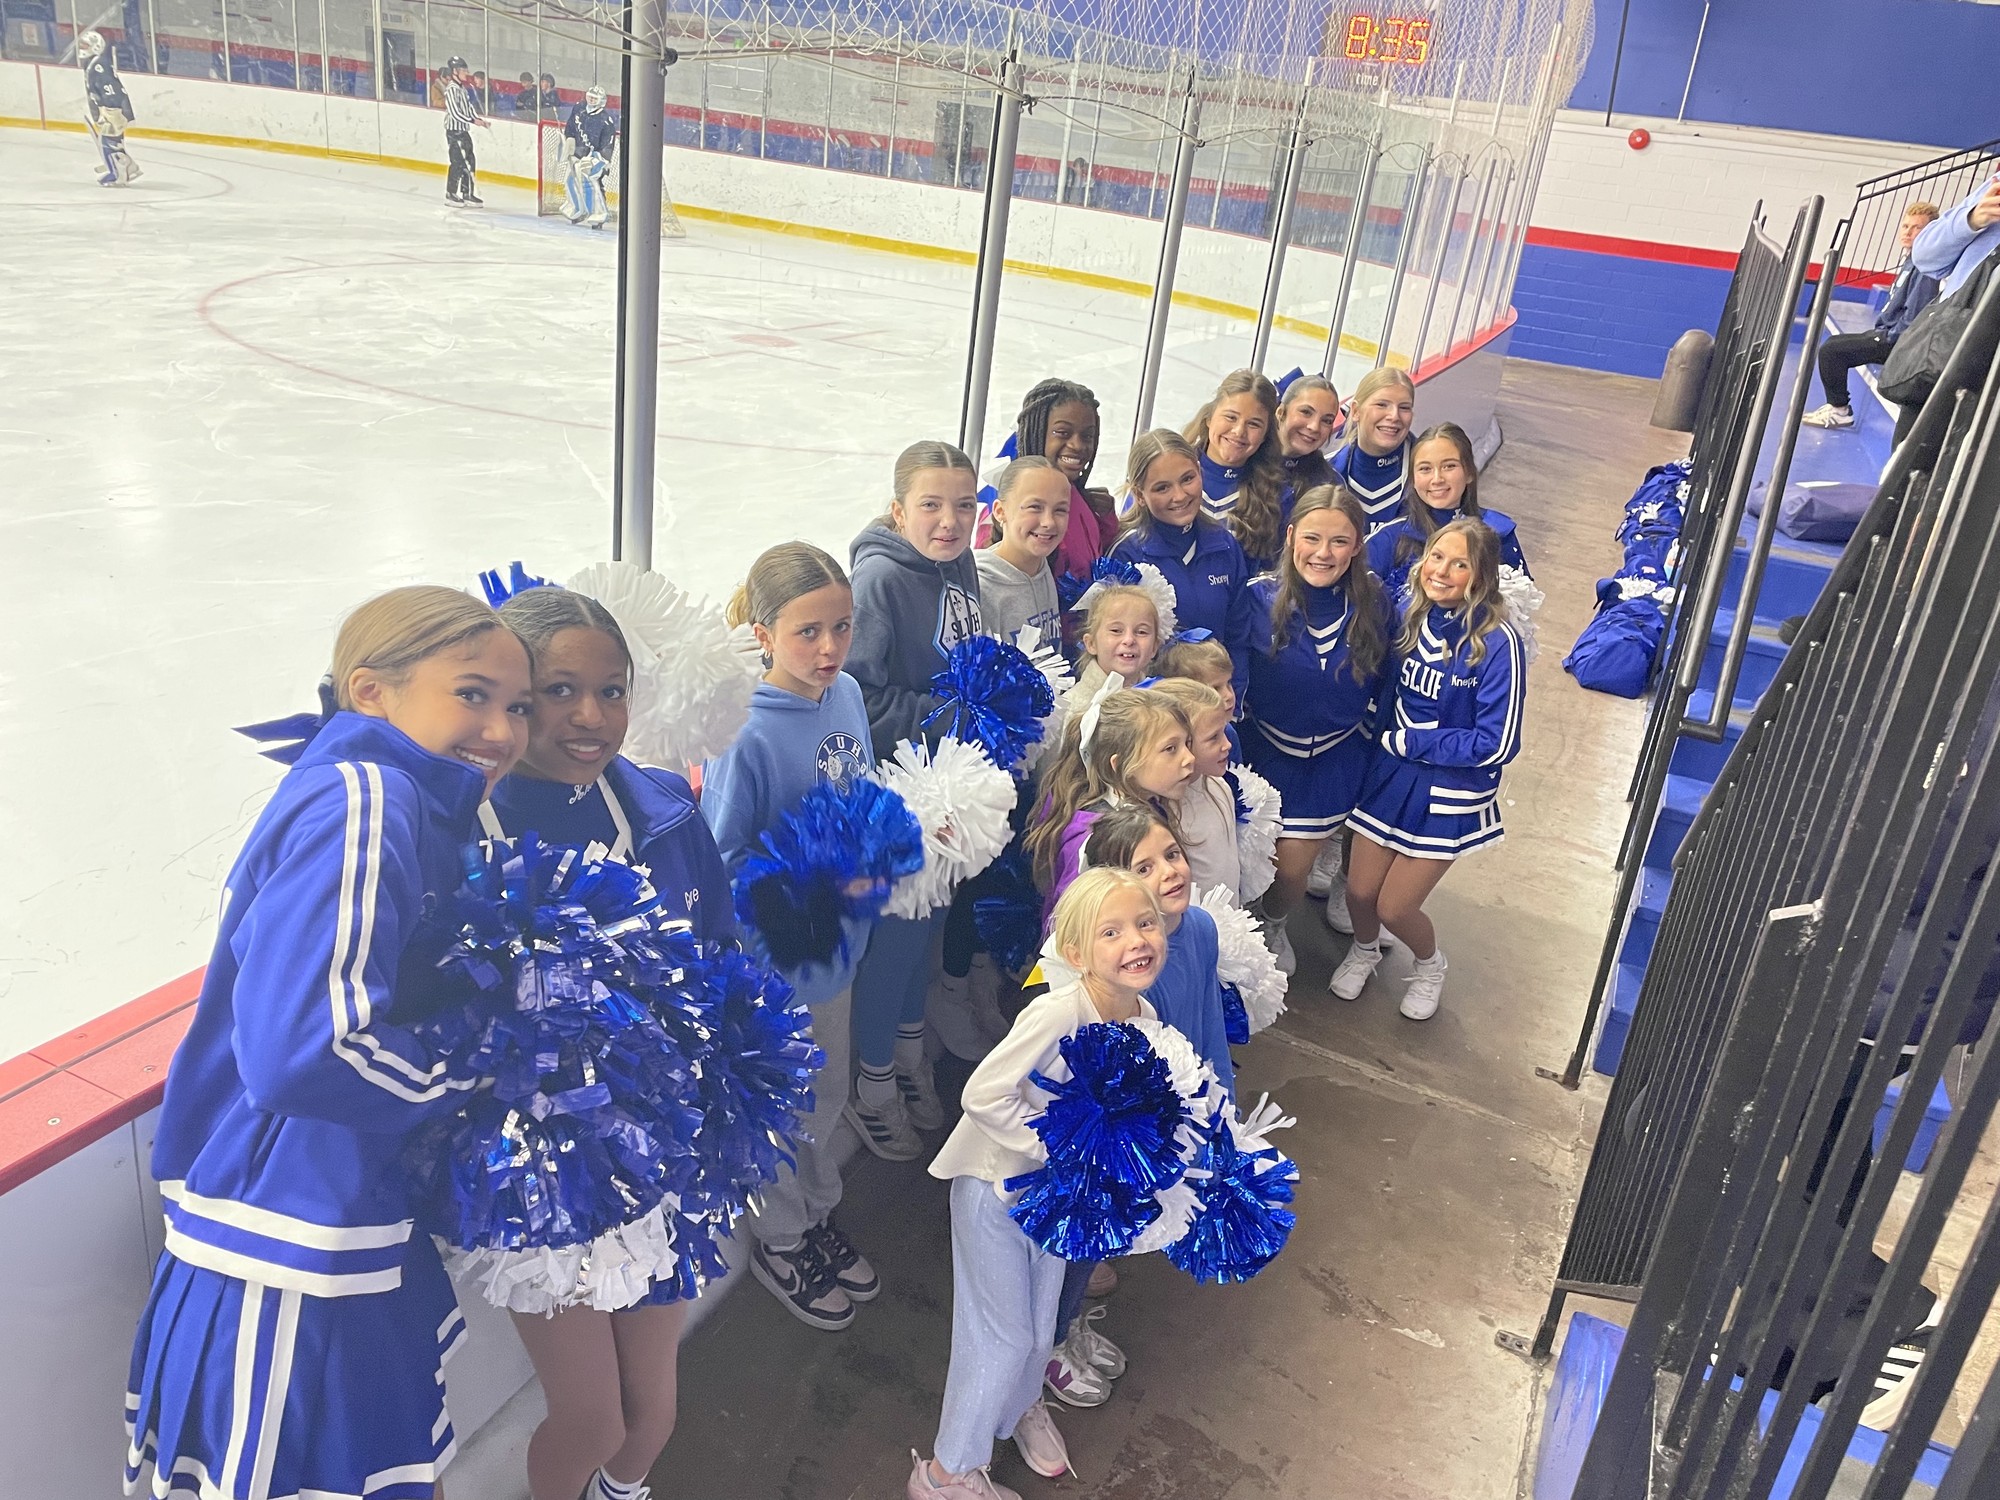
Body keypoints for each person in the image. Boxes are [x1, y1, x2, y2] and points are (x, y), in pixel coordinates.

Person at [124, 587, 534, 1500]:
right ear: (371, 692)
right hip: (287, 1241)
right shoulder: (366, 797)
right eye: (472, 694)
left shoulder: (406, 801)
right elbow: (308, 1050)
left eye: (516, 706)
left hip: (326, 1222)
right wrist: (487, 1065)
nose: (502, 731)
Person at [481, 584, 728, 1500]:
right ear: (514, 699)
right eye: (559, 691)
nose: (591, 716)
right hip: (542, 1172)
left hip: (663, 1153)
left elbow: (722, 965)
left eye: (612, 690)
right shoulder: (461, 829)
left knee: (652, 1415)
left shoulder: (663, 811)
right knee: (593, 1419)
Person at [909, 867, 1168, 1500]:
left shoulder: (1143, 1016)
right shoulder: (1057, 1012)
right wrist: (1059, 1146)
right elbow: (982, 1094)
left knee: (1039, 1323)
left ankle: (1015, 1412)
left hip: (1059, 1201)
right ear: (1075, 953)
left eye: (1145, 923)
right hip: (994, 1191)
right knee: (1001, 1338)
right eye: (1111, 931)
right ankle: (944, 1474)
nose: (1136, 940)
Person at [703, 542, 885, 1332]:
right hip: (775, 968)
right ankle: (781, 1239)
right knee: (780, 1106)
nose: (829, 648)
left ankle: (816, 1210)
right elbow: (720, 863)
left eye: (842, 627)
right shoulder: (744, 732)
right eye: (808, 631)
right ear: (764, 633)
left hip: (837, 953)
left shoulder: (847, 693)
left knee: (825, 1095)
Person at [848, 442, 987, 1130]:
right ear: (898, 511)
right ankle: (873, 1087)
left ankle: (909, 1058)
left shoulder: (959, 563)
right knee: (897, 941)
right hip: (900, 792)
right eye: (930, 505)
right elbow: (859, 699)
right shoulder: (878, 581)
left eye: (964, 505)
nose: (949, 521)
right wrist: (957, 713)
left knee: (927, 927)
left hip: (950, 781)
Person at [1338, 518, 1526, 1020]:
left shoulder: (1498, 642)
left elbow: (1498, 742)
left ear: (1481, 576)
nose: (1441, 571)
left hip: (1448, 788)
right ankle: (1365, 950)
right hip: (1389, 774)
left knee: (1394, 907)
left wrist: (1415, 742)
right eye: (1436, 557)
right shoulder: (1409, 614)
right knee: (1358, 892)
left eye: (1459, 564)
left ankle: (1429, 965)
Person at [1243, 487, 1391, 962]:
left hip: (1332, 758)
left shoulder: (1375, 603)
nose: (1323, 553)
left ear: (1357, 546)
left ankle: (1274, 922)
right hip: (1262, 751)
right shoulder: (1256, 597)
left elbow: (1388, 681)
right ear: (1290, 536)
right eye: (1312, 538)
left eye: (1339, 541)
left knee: (1290, 873)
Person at [1025, 687, 1194, 920]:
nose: (1189, 758)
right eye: (1170, 749)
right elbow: (1075, 925)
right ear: (1119, 764)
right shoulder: (1092, 839)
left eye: (1188, 743)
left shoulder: (1148, 803)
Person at [1112, 429, 1254, 699]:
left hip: (1215, 704)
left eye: (1187, 479)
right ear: (1139, 495)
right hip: (1155, 706)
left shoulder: (1224, 545)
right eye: (1162, 488)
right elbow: (1118, 652)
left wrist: (1232, 704)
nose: (1179, 496)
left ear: (1200, 472)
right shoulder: (1126, 555)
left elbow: (1238, 637)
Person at [1802, 203, 1941, 430]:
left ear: (1930, 232)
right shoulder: (1911, 259)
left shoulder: (1926, 267)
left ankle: (1839, 411)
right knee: (1834, 344)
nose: (1908, 232)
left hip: (1899, 342)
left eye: (1917, 228)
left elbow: (1915, 316)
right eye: (1905, 226)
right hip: (1887, 332)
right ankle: (1837, 408)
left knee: (1832, 351)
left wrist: (1889, 336)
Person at [1367, 422, 1528, 609]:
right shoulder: (1389, 538)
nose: (1437, 479)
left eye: (1449, 466)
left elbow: (1518, 608)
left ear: (1469, 472)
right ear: (1413, 478)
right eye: (1425, 469)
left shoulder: (1497, 532)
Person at [1144, 678, 1244, 906]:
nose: (1227, 744)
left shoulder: (1219, 785)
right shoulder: (1161, 814)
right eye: (1213, 738)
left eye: (1224, 732)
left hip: (1229, 918)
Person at [1182, 369, 1290, 573]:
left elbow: (1273, 579)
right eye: (1231, 417)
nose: (1239, 431)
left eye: (1254, 424)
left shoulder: (1278, 497)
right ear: (1209, 418)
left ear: (1266, 435)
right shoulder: (1165, 472)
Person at [974, 456, 1069, 646]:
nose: (1049, 522)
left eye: (1060, 510)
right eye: (1035, 507)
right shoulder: (981, 588)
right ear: (1000, 511)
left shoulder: (1041, 567)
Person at [1329, 368, 1417, 537]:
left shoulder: (1431, 476)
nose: (1394, 416)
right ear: (1356, 411)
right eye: (1381, 405)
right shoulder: (1326, 473)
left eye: (1404, 408)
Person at [1058, 583, 1161, 721]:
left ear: (1154, 647)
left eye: (1141, 632)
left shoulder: (1161, 707)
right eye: (1116, 630)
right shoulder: (1070, 711)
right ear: (1091, 643)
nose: (1129, 640)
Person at [1274, 373, 1342, 521]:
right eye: (1306, 412)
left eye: (1326, 420)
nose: (1314, 427)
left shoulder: (1329, 484)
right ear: (1280, 412)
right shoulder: (1244, 462)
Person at [77, 30, 140, 187]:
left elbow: (110, 88)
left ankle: (118, 173)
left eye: (86, 45)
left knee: (109, 140)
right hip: (109, 107)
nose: (82, 48)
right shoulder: (94, 63)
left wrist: (111, 108)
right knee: (113, 140)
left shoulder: (99, 64)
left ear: (96, 46)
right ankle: (128, 166)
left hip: (112, 108)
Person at [561, 84, 618, 227]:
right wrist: (569, 137)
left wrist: (601, 160)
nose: (591, 100)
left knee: (592, 182)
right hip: (578, 153)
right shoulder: (579, 108)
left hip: (594, 157)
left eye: (595, 98)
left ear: (601, 101)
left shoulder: (605, 120)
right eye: (590, 97)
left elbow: (608, 144)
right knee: (570, 180)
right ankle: (578, 209)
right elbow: (571, 126)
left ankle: (599, 214)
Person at [442, 55, 492, 206]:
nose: (466, 73)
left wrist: (478, 120)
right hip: (454, 131)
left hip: (463, 131)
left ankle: (467, 193)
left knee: (469, 160)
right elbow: (455, 113)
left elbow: (468, 108)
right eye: (463, 70)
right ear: (455, 71)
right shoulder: (451, 89)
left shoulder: (462, 89)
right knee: (457, 161)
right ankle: (451, 193)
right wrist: (472, 120)